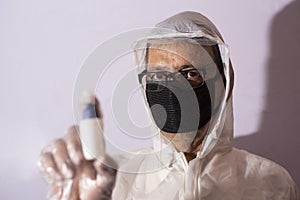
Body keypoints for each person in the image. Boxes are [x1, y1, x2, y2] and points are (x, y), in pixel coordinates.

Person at [38, 11, 299, 199]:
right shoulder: (114, 179)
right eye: (156, 77)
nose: (172, 91)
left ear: (223, 82)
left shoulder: (271, 183)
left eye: (190, 73)